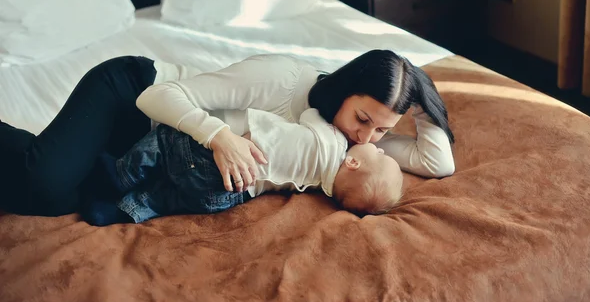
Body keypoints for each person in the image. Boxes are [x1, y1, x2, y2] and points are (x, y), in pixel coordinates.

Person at [0, 49, 454, 217]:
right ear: (343, 91)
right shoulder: (284, 79)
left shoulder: (355, 143)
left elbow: (438, 163)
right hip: (132, 95)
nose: (368, 139)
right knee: (45, 182)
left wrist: (421, 88)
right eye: (362, 120)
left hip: (153, 146)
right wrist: (221, 137)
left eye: (383, 131)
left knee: (57, 202)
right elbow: (158, 97)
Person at [82, 108, 404, 226]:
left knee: (168, 136)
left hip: (214, 164)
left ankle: (122, 173)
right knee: (163, 198)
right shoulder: (321, 186)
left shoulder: (331, 141)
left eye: (381, 153)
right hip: (224, 197)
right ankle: (126, 211)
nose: (375, 143)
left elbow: (310, 114)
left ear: (353, 160)